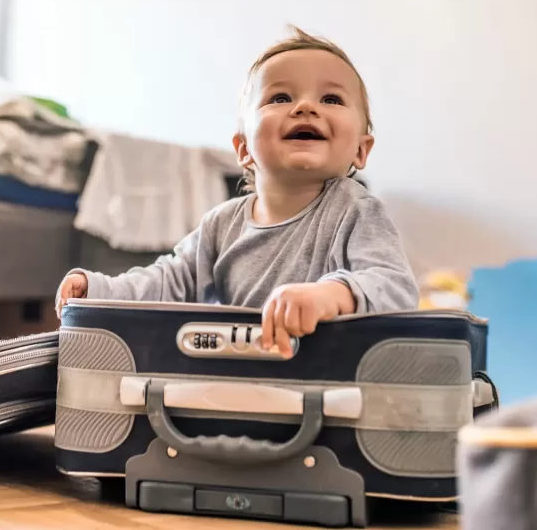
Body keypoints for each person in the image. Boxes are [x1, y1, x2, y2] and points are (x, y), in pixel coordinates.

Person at [56, 25, 419, 358]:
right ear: (243, 148)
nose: (305, 107)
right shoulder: (221, 224)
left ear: (361, 149)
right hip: (237, 374)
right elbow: (167, 281)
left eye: (332, 99)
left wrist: (331, 295)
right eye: (280, 97)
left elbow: (396, 288)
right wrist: (100, 291)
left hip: (329, 379)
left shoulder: (356, 211)